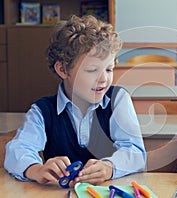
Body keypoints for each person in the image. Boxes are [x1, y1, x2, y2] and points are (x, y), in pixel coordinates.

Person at [4, 15, 146, 186]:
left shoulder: (117, 100)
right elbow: (18, 149)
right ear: (63, 69)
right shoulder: (43, 111)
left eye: (109, 69)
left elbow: (136, 153)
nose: (103, 79)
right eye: (92, 70)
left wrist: (109, 167)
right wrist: (36, 169)